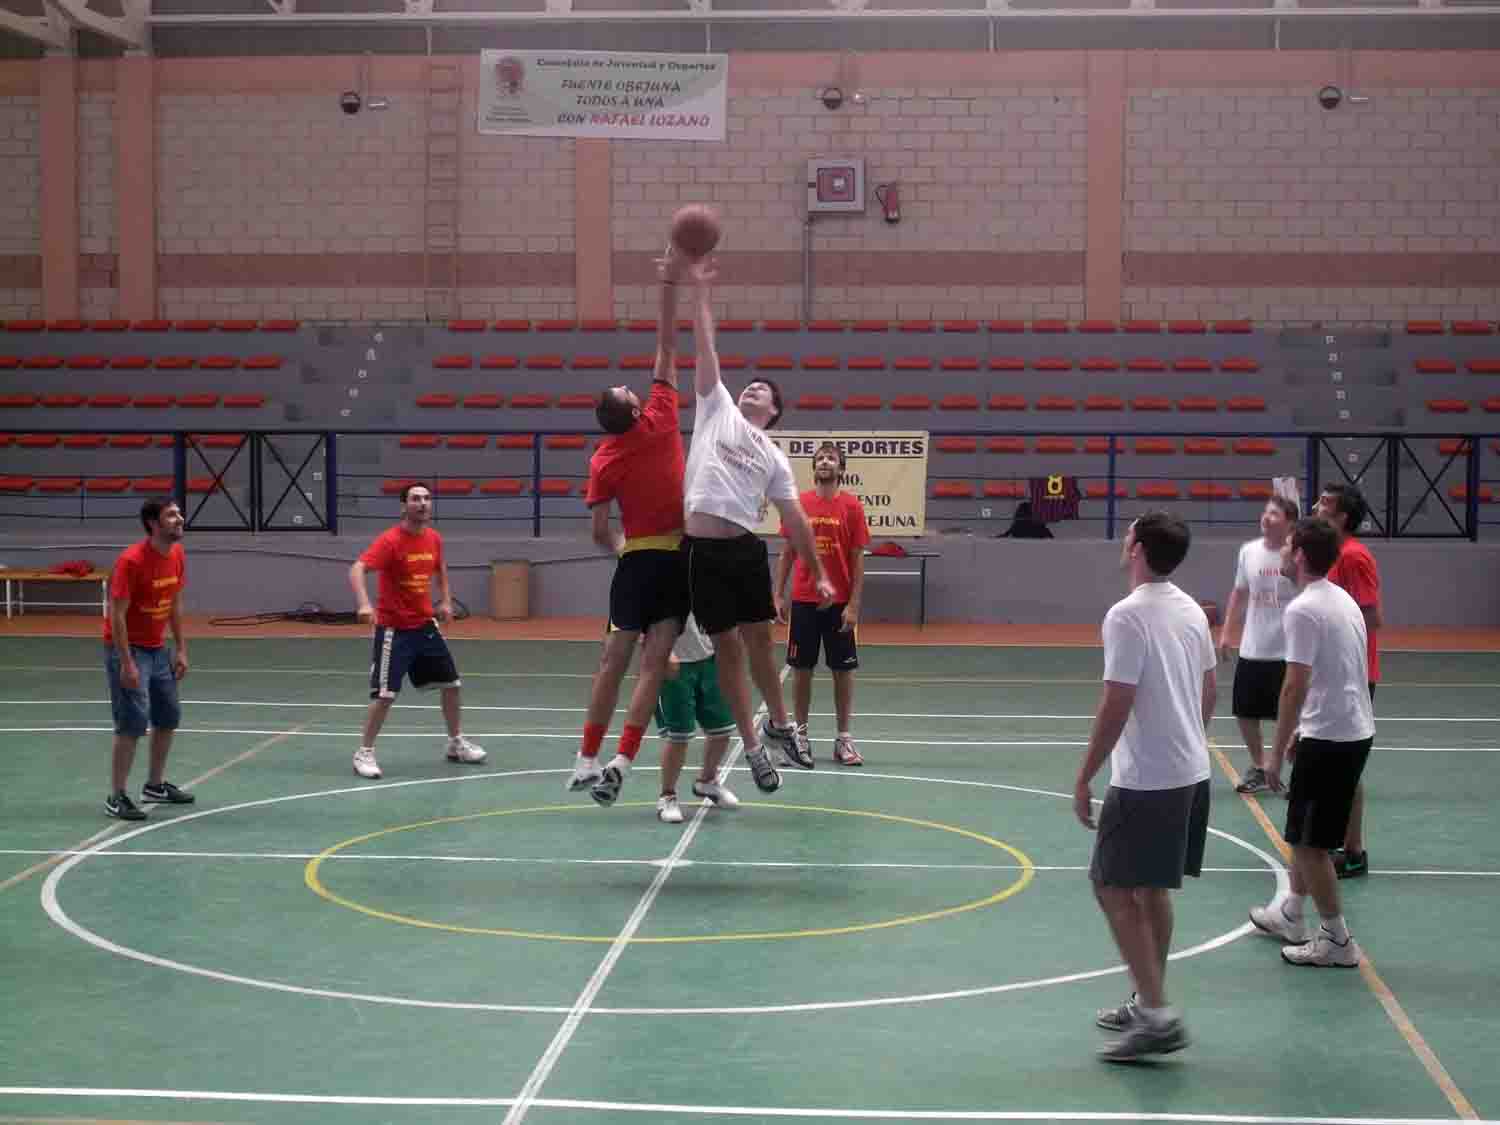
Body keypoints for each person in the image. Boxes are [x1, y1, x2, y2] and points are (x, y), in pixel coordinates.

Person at [680, 260, 835, 796]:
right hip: (701, 547)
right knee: (727, 651)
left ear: (776, 411)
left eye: (762, 391)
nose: (751, 391)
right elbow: (705, 347)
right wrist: (700, 291)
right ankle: (751, 748)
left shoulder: (772, 454)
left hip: (745, 549)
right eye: (749, 386)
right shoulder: (715, 407)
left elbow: (794, 519)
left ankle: (780, 723)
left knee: (761, 645)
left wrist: (817, 573)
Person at [1074, 511, 1216, 1063]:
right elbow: (1208, 691)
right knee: (1152, 890)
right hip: (1190, 770)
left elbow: (1116, 701)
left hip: (1147, 779)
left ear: (1135, 547)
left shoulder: (1126, 616)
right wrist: (1185, 738)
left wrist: (1086, 773)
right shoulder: (1192, 610)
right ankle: (1147, 999)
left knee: (1110, 887)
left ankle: (1157, 1016)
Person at [568, 244, 695, 807]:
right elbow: (668, 342)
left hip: (638, 558)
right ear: (632, 406)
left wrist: (624, 549)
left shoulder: (604, 458)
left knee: (613, 660)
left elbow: (600, 532)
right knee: (654, 665)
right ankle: (623, 756)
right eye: (628, 390)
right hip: (678, 559)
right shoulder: (661, 418)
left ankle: (586, 758)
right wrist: (670, 282)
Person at [1248, 516, 1375, 967]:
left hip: (1333, 737)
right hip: (1350, 727)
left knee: (1309, 843)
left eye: (1287, 548)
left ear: (1300, 556)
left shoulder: (1302, 609)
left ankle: (1337, 941)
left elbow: (1293, 686)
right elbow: (1340, 672)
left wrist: (1273, 755)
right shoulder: (1339, 599)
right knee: (1308, 832)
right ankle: (1290, 911)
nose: (1280, 553)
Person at [348, 482, 485, 779]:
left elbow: (441, 569)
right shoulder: (390, 541)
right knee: (385, 694)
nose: (422, 503)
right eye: (415, 499)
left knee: (452, 685)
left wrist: (446, 600)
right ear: (404, 506)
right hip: (394, 630)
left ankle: (455, 743)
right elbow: (357, 568)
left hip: (424, 625)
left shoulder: (433, 538)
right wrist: (364, 604)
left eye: (426, 498)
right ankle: (364, 753)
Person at [772, 440, 870, 767]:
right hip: (803, 600)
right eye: (820, 458)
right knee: (802, 670)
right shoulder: (799, 505)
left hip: (839, 603)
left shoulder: (852, 508)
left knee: (843, 671)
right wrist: (777, 594)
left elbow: (857, 561)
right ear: (814, 468)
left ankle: (844, 739)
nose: (825, 462)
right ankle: (799, 736)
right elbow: (787, 552)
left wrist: (853, 605)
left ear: (841, 470)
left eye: (831, 458)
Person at [103, 497, 192, 821]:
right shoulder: (132, 561)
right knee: (132, 721)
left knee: (168, 716)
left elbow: (175, 603)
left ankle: (154, 785)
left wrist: (181, 648)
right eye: (171, 515)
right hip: (129, 650)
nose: (179, 519)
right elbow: (117, 617)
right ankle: (117, 795)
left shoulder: (177, 554)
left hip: (158, 649)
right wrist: (126, 663)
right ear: (153, 523)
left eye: (179, 513)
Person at [1314, 483, 1382, 878]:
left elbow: (1371, 617)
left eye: (1324, 503)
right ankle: (1341, 845)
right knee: (1334, 766)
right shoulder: (1331, 553)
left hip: (1353, 675)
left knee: (1345, 768)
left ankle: (1353, 850)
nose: (1316, 506)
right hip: (1333, 673)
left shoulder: (1355, 557)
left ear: (1341, 517)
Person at [1217, 496, 1299, 794]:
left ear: (1289, 522)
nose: (1266, 517)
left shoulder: (1299, 554)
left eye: (1274, 514)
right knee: (1245, 711)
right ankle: (1261, 766)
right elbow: (1239, 593)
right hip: (1254, 647)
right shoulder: (1248, 552)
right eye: (1265, 512)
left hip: (1290, 650)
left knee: (1292, 714)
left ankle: (1295, 770)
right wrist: (1227, 632)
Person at [652, 614, 739, 823]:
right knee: (678, 736)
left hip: (709, 658)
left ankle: (707, 781)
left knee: (722, 729)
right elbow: (644, 613)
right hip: (674, 663)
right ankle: (667, 796)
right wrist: (663, 651)